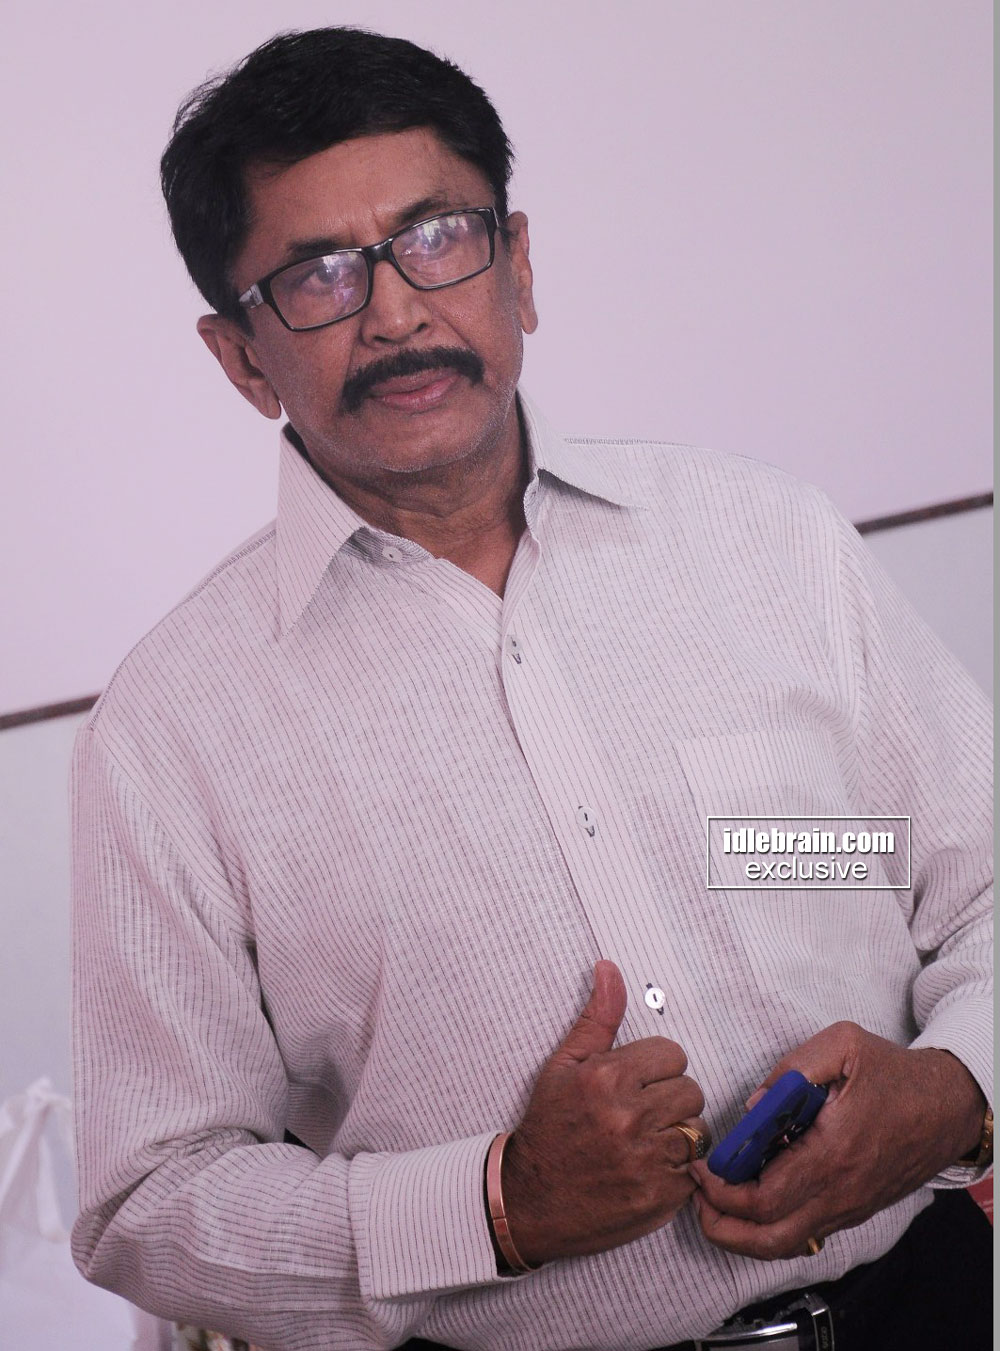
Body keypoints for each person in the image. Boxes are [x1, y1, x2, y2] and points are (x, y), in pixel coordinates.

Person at [70, 26, 992, 1351]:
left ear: (520, 265)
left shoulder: (769, 542)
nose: (397, 312)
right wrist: (495, 1203)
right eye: (318, 276)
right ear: (242, 357)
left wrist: (960, 1089)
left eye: (438, 237)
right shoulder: (172, 730)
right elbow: (149, 1203)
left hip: (935, 1307)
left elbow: (973, 884)